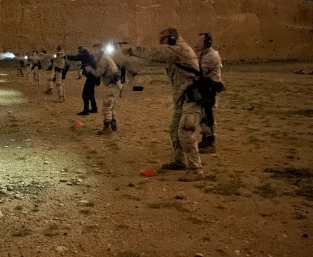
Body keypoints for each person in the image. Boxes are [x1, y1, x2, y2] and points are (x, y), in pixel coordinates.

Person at [122, 28, 204, 181]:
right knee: (174, 129)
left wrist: (132, 50)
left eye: (163, 39)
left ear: (172, 38)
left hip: (192, 97)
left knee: (185, 131)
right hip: (183, 97)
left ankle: (196, 169)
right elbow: (153, 58)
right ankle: (180, 161)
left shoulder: (179, 49)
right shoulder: (173, 51)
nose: (161, 43)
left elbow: (156, 52)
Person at [195, 32, 222, 153]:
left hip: (210, 88)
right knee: (203, 114)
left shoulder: (211, 56)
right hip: (205, 87)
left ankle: (210, 141)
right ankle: (206, 138)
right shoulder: (203, 54)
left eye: (200, 41)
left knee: (207, 114)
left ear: (207, 43)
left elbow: (200, 71)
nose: (197, 43)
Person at [85, 43, 121, 135]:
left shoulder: (103, 59)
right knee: (111, 105)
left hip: (113, 84)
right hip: (115, 83)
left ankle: (107, 127)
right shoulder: (103, 58)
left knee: (106, 105)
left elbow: (98, 73)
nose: (93, 52)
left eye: (94, 50)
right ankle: (113, 124)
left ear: (99, 50)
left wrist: (90, 69)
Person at [67, 46, 98, 115]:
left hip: (91, 76)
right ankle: (94, 108)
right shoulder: (88, 55)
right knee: (91, 94)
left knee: (85, 95)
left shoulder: (85, 55)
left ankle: (86, 110)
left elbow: (76, 58)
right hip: (93, 76)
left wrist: (66, 56)